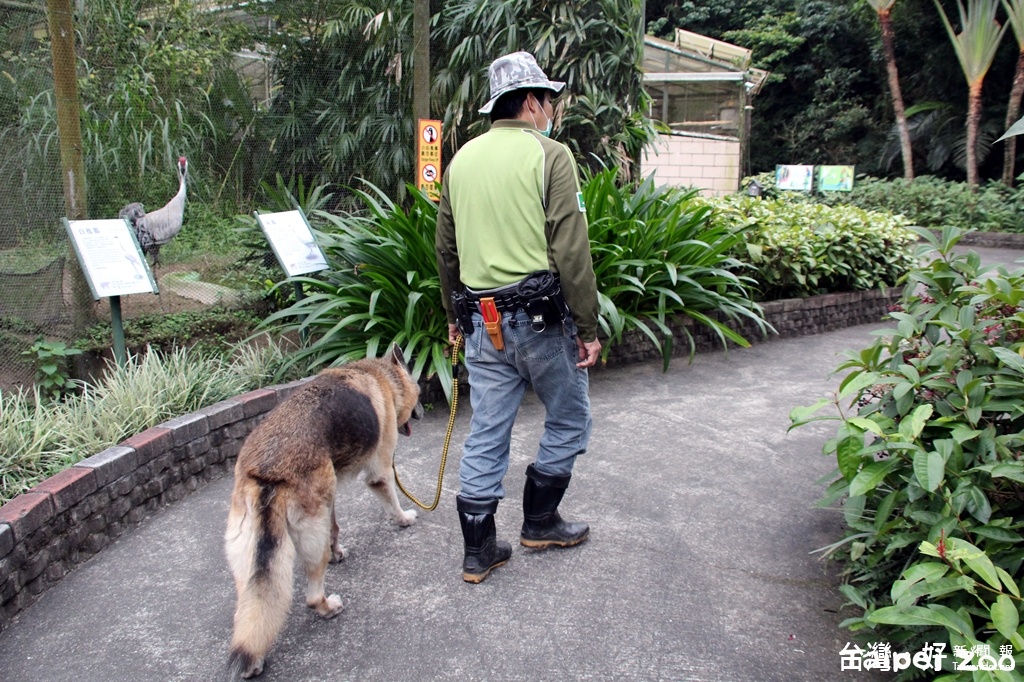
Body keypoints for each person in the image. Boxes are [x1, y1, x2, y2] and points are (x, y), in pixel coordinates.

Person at [435, 51, 601, 584]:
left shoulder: (460, 161)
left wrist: (453, 318)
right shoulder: (551, 155)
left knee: (487, 429)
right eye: (548, 101)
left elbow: (446, 252)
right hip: (543, 322)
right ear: (532, 102)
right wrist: (589, 326)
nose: (550, 110)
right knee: (570, 417)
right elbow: (571, 249)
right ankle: (541, 520)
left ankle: (479, 551)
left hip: (482, 320)